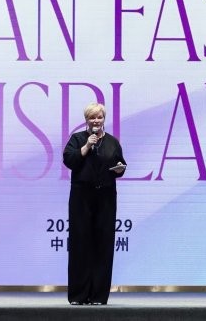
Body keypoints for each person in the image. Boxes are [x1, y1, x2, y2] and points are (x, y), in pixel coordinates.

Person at [63, 102, 126, 305]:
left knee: (103, 244)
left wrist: (119, 169)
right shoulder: (77, 139)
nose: (96, 121)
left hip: (105, 197)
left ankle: (98, 295)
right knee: (80, 243)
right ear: (86, 120)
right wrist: (86, 146)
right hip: (81, 198)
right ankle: (78, 295)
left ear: (104, 119)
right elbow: (69, 160)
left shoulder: (112, 142)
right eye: (92, 117)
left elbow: (119, 164)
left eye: (99, 117)